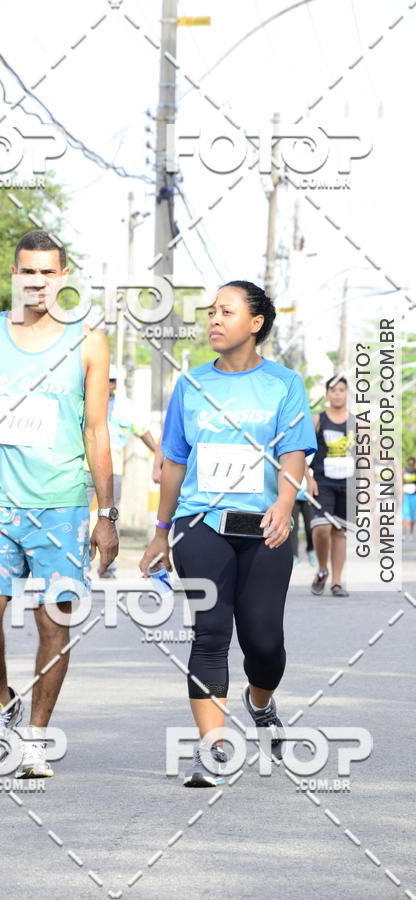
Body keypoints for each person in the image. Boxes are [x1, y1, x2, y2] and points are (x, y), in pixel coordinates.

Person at [0, 230, 118, 778]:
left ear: (63, 278)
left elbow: (97, 432)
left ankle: (36, 736)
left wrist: (105, 515)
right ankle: (0, 699)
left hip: (61, 506)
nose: (36, 281)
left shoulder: (87, 342)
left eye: (47, 272)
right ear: (14, 274)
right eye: (27, 271)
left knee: (53, 622)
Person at [139, 281, 316, 787]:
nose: (214, 319)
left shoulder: (284, 383)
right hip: (200, 524)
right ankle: (213, 748)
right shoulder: (191, 385)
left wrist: (285, 503)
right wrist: (159, 531)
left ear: (256, 323)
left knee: (263, 642)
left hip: (265, 526)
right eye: (211, 311)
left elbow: (294, 452)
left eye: (227, 311)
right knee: (210, 632)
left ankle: (260, 704)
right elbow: (174, 461)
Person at [86, 363, 157, 577]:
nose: (108, 384)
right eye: (105, 379)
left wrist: (158, 455)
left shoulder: (126, 407)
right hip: (82, 468)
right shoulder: (83, 400)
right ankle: (79, 566)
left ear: (115, 383)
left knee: (110, 516)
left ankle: (108, 567)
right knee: (78, 517)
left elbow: (142, 430)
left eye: (111, 380)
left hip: (112, 471)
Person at [307, 376, 355, 598]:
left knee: (339, 531)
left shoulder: (357, 423)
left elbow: (365, 458)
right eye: (333, 390)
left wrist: (369, 489)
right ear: (327, 394)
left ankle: (336, 582)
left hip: (347, 483)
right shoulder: (317, 420)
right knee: (322, 527)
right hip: (322, 482)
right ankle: (322, 569)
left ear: (347, 394)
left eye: (341, 390)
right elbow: (301, 452)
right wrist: (309, 479)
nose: (337, 394)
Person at [290, 472, 315, 567]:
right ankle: (294, 556)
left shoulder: (312, 457)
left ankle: (311, 549)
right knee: (293, 528)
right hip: (294, 496)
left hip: (309, 495)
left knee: (310, 527)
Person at [402, 456, 416, 539]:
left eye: (412, 463)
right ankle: (404, 534)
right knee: (405, 515)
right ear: (407, 463)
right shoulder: (404, 471)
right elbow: (401, 483)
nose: (410, 465)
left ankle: (411, 534)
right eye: (409, 463)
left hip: (414, 496)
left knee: (412, 515)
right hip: (406, 496)